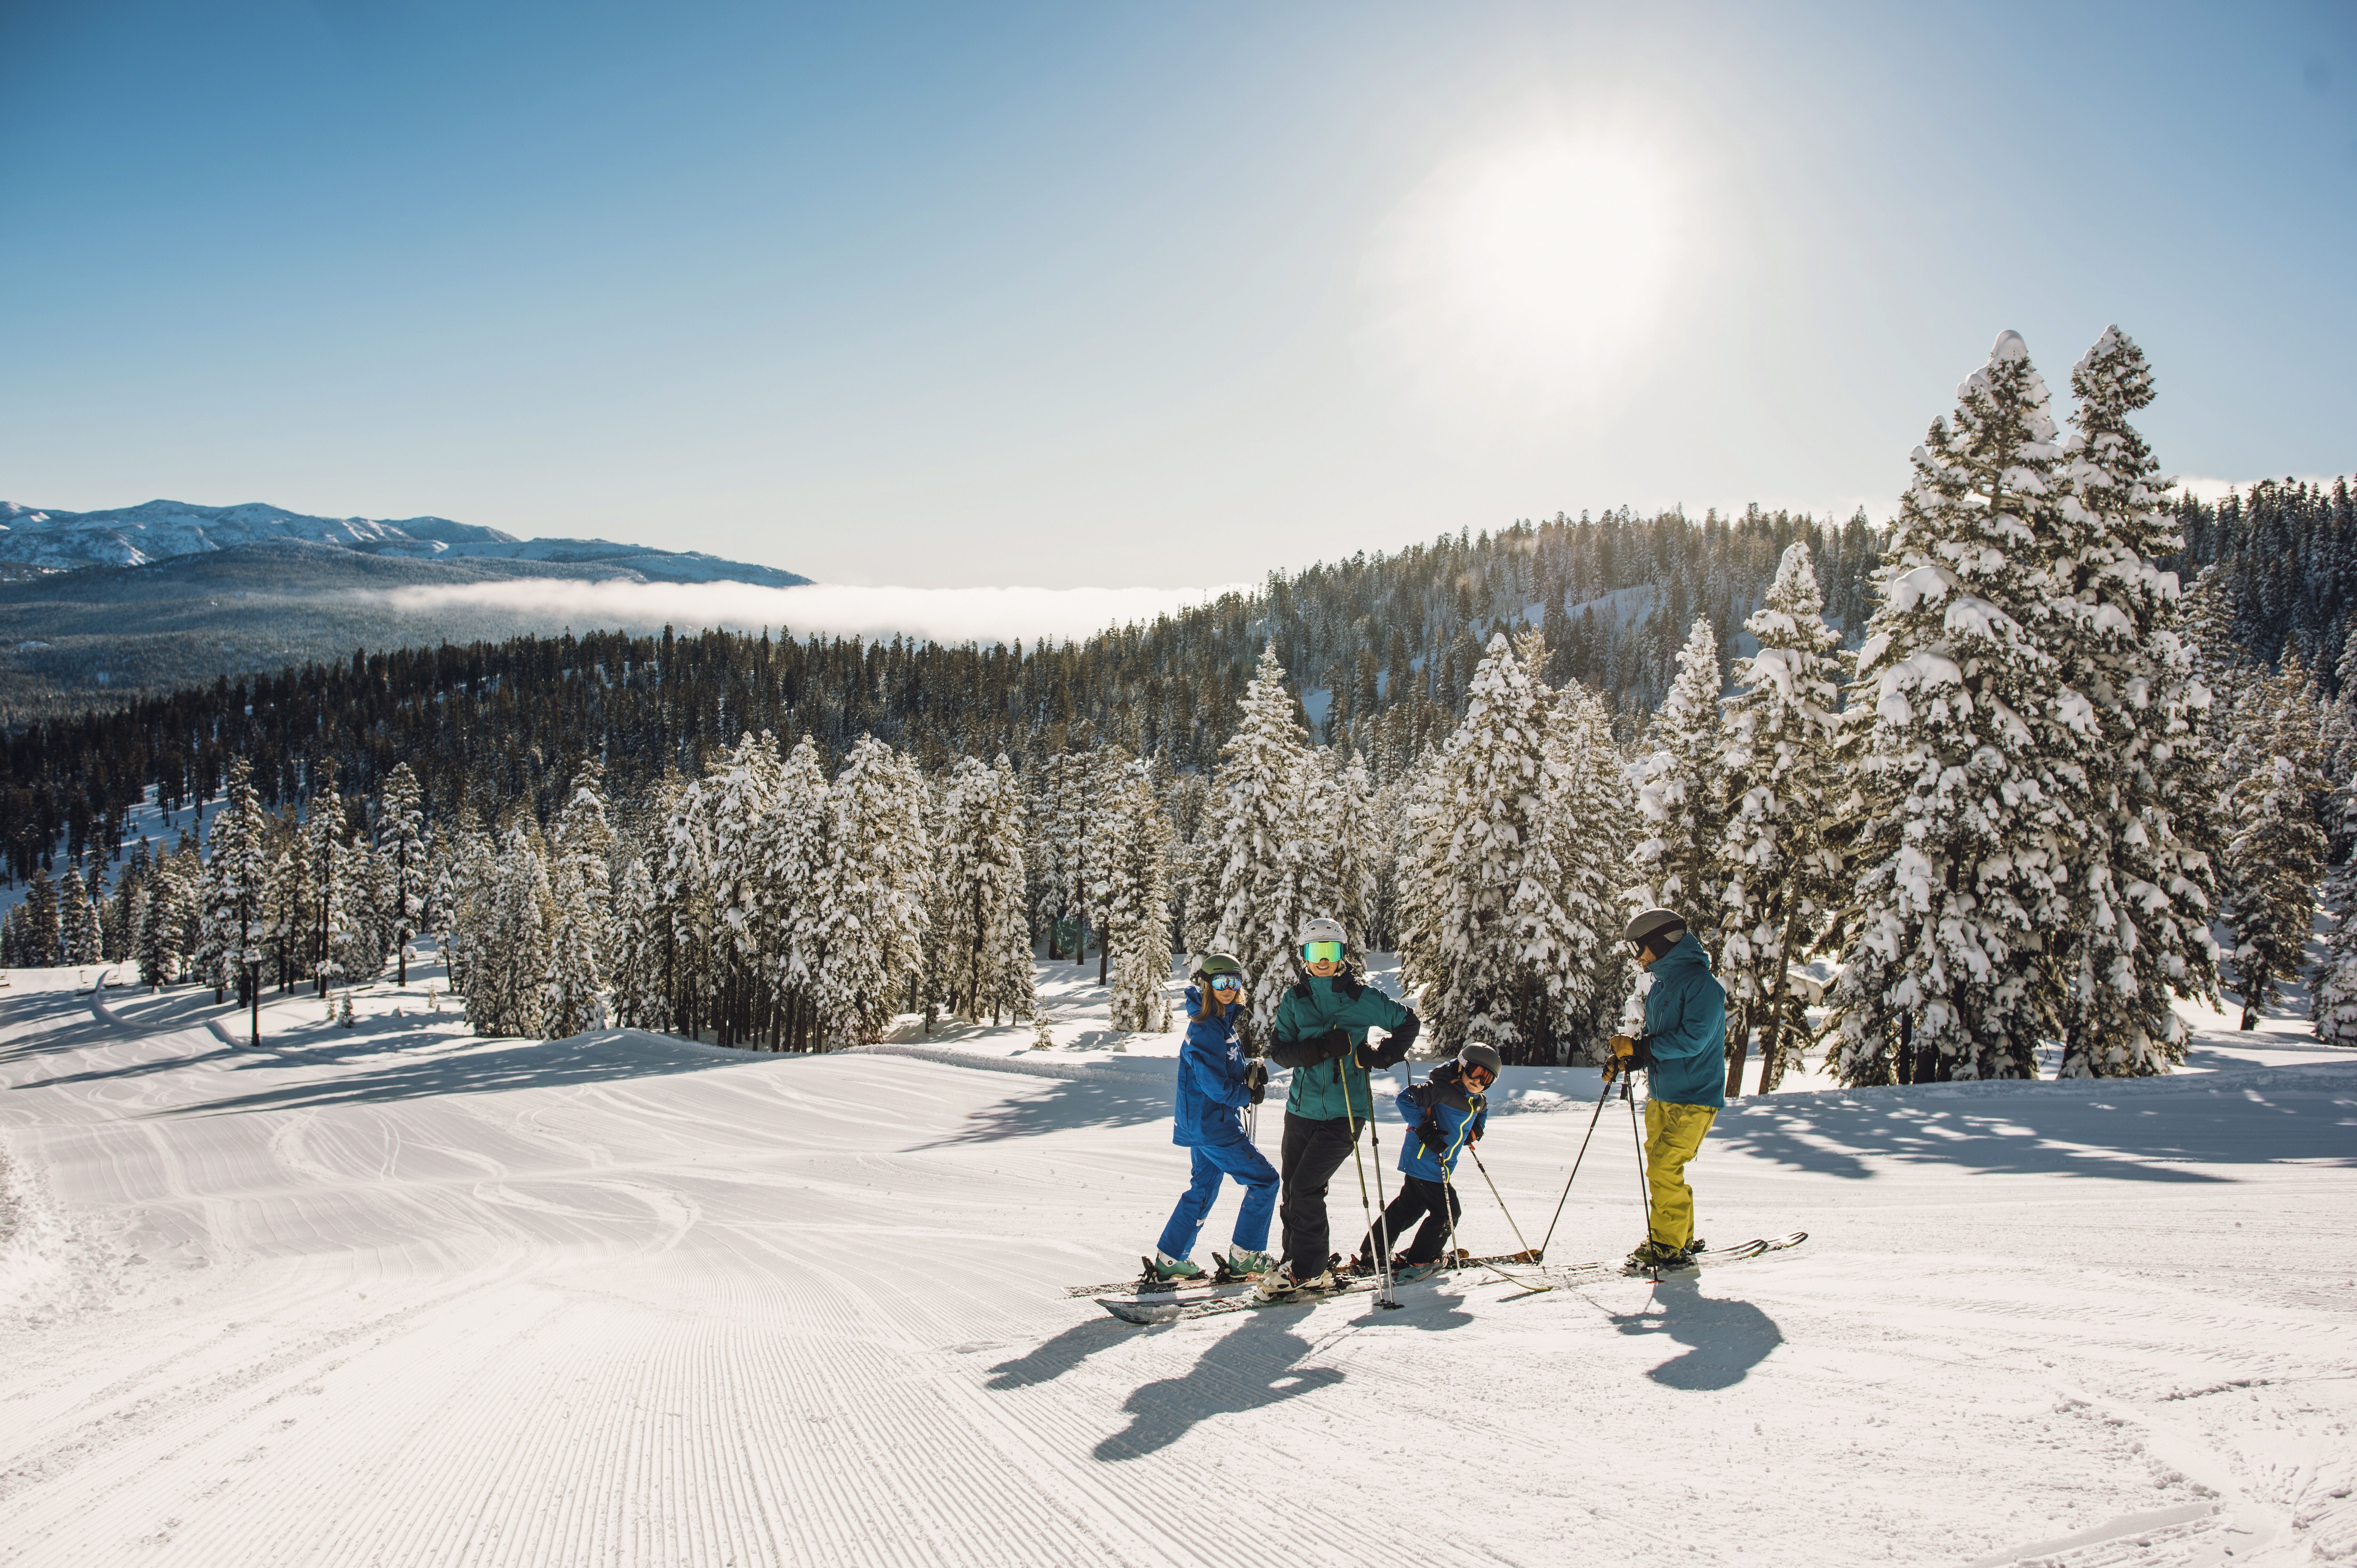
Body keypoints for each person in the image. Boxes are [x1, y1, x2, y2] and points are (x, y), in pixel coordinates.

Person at [1263, 916, 1421, 1292]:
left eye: (1330, 951)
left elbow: (1407, 1024)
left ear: (1341, 954)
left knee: (1306, 1188)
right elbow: (1279, 1052)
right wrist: (1318, 1049)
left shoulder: (1361, 997)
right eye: (1315, 951)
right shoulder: (1295, 999)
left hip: (1345, 1112)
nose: (1323, 960)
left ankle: (1310, 1268)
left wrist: (1378, 1056)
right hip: (1300, 1110)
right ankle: (1293, 1259)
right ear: (1304, 954)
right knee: (1292, 1191)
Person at [1149, 953, 1281, 1282]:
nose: (1228, 989)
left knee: (1203, 1189)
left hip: (1205, 1124)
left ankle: (1170, 1258)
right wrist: (1245, 1094)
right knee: (1265, 1181)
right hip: (1214, 1126)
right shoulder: (1207, 1026)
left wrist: (1248, 1072)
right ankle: (1246, 1255)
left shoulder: (1219, 1023)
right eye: (1221, 983)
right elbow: (1213, 1085)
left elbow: (1220, 1070)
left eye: (1234, 982)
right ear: (1207, 985)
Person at [1608, 907, 1727, 1271]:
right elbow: (1660, 1039)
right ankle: (1678, 1237)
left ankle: (1668, 1245)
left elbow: (1693, 1039)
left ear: (1661, 943)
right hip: (1663, 1095)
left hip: (1694, 1098)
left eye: (1639, 948)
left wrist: (1645, 1050)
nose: (1637, 957)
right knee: (1661, 1168)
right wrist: (1632, 1055)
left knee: (1664, 1166)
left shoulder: (1703, 986)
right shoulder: (1662, 986)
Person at [1356, 1042, 1500, 1282]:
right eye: (1476, 1071)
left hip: (1435, 1165)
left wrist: (1476, 1130)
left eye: (1487, 1077)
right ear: (1463, 1066)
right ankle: (1421, 1258)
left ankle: (1374, 1253)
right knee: (1448, 1213)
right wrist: (1424, 1129)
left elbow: (1482, 1108)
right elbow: (1406, 1098)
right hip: (1427, 1162)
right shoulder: (1442, 1089)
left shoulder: (1476, 1098)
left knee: (1408, 1209)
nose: (1479, 1081)